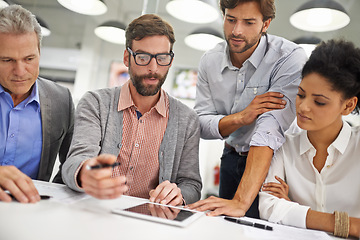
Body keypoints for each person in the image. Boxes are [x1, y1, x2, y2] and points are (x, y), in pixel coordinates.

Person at [62, 14, 202, 206]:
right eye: (143, 57)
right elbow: (74, 162)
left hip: (148, 225)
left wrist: (178, 193)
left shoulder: (187, 120)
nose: (153, 68)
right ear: (127, 58)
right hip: (93, 212)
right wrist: (86, 173)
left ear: (170, 60)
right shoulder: (96, 103)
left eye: (162, 58)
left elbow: (192, 185)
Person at [187, 0, 307, 218]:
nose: (236, 31)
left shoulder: (289, 58)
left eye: (249, 22)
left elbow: (270, 128)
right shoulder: (209, 61)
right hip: (230, 157)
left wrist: (241, 201)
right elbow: (201, 124)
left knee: (267, 230)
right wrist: (241, 117)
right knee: (224, 227)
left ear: (266, 24)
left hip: (273, 162)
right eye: (230, 19)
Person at [259, 39, 360, 238]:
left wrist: (294, 210)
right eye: (301, 94)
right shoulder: (284, 145)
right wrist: (349, 225)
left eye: (319, 102)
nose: (303, 107)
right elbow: (269, 207)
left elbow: (281, 211)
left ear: (348, 106)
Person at [0, 5, 74, 203]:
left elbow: (71, 166)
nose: (20, 71)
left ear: (40, 52)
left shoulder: (61, 100)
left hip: (28, 213)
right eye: (7, 60)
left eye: (29, 58)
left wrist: (48, 198)